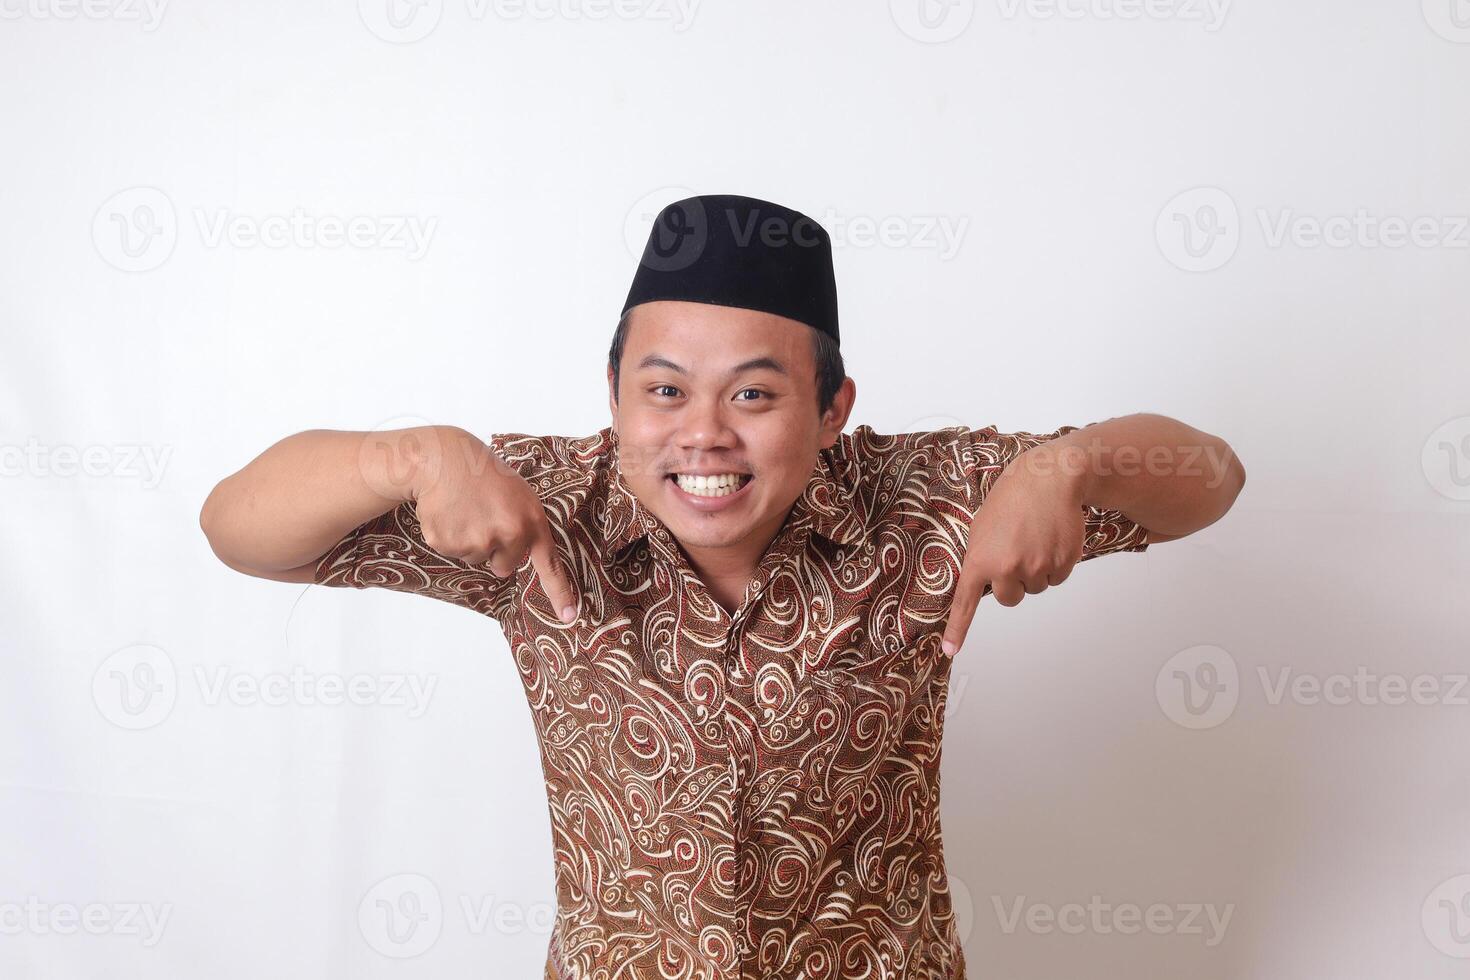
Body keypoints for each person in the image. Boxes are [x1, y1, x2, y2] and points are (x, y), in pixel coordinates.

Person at [200, 194, 1245, 980]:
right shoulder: (532, 511)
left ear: (832, 407)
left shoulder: (932, 499)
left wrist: (1072, 465)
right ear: (612, 396)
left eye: (754, 391)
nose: (704, 432)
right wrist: (414, 456)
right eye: (664, 390)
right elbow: (240, 529)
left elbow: (1211, 481)